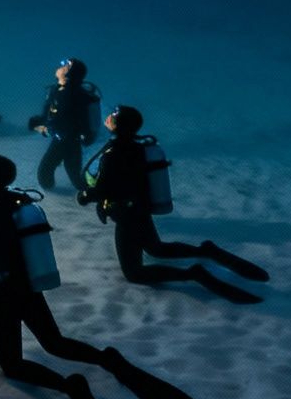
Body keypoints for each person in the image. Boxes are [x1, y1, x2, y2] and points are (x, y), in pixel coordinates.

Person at [0, 151, 195, 399]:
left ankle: (70, 386)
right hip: (29, 286)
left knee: (12, 365)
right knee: (54, 342)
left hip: (2, 293)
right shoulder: (21, 204)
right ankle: (108, 359)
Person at [80, 105, 270, 304]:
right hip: (139, 210)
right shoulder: (136, 147)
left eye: (113, 115)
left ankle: (193, 274)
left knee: (134, 273)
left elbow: (104, 189)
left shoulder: (115, 153)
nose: (108, 117)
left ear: (119, 124)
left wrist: (84, 196)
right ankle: (205, 251)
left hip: (127, 216)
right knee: (156, 249)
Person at [27, 57, 99, 195]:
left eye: (65, 65)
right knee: (73, 174)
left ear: (69, 73)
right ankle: (94, 190)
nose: (60, 66)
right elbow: (51, 114)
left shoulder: (71, 94)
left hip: (67, 139)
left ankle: (96, 191)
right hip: (64, 138)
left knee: (47, 171)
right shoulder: (58, 90)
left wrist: (44, 127)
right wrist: (40, 123)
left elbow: (62, 118)